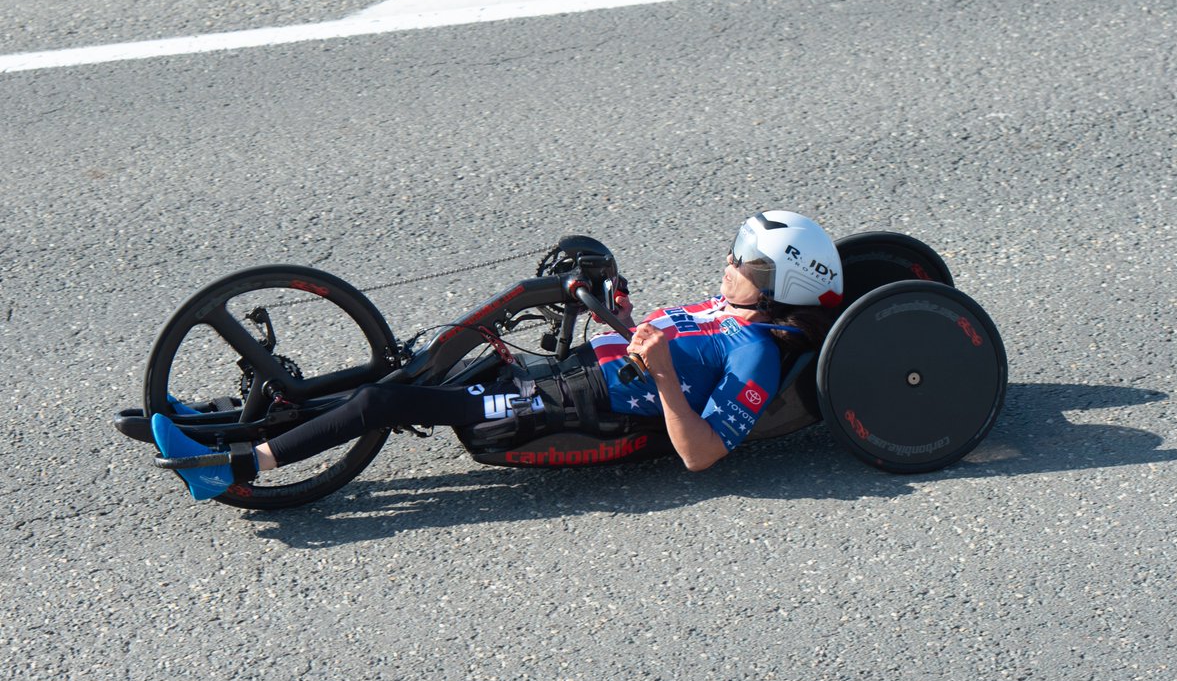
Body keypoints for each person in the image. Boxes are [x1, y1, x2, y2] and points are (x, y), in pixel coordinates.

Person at [151, 210, 845, 500]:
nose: (727, 263)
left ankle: (241, 466)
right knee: (425, 365)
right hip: (583, 374)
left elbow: (702, 454)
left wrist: (660, 373)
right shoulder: (734, 310)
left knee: (387, 401)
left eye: (743, 263)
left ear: (780, 283)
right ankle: (229, 424)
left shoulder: (755, 350)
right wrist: (610, 304)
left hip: (577, 412)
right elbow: (647, 339)